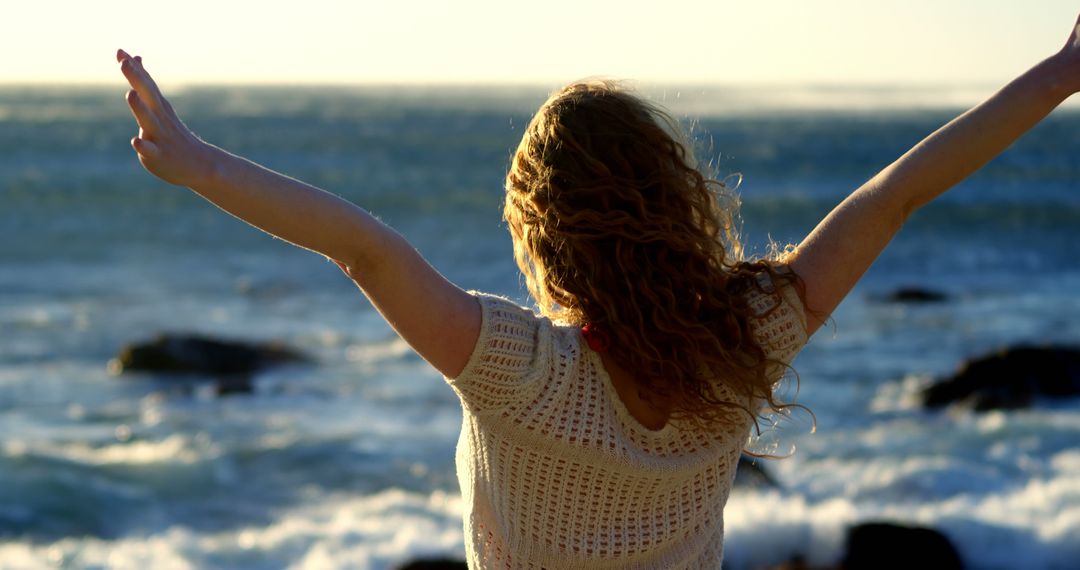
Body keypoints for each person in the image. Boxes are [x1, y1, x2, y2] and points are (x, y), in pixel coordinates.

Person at [115, 14, 1078, 567]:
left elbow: (366, 250)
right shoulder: (746, 341)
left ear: (543, 234)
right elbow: (896, 193)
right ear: (676, 207)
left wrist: (203, 166)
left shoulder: (518, 372)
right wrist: (1059, 73)